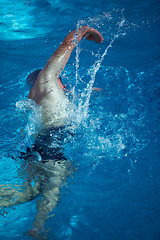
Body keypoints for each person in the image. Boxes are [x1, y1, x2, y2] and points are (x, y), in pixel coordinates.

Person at [0, 26, 103, 239]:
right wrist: (82, 31)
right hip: (51, 143)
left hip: (39, 144)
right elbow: (65, 48)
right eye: (61, 79)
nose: (64, 82)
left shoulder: (38, 97)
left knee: (33, 190)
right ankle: (38, 229)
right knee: (53, 186)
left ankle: (33, 224)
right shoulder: (47, 81)